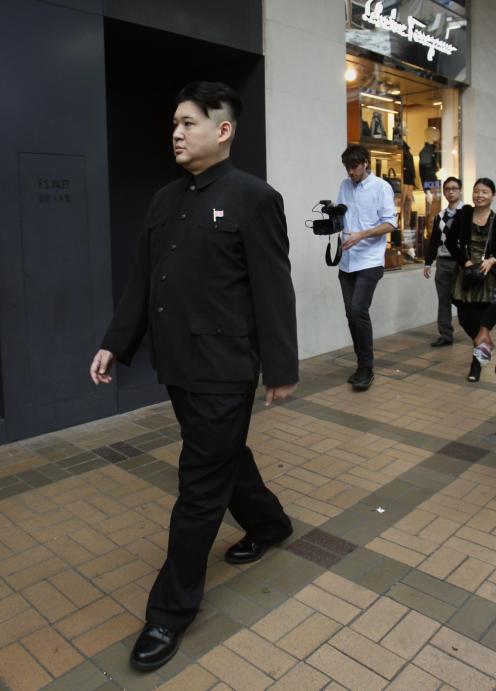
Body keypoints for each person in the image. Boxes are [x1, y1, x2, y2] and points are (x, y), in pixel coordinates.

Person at [89, 82, 297, 672]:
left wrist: (280, 368)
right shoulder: (163, 200)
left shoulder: (255, 198)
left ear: (223, 130)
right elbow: (142, 282)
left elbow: (272, 287)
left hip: (225, 370)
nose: (176, 133)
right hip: (177, 366)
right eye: (174, 123)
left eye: (188, 122)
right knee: (222, 455)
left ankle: (168, 613)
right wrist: (115, 345)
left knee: (199, 487)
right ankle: (270, 523)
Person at [335, 144, 397, 391]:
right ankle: (361, 364)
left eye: (354, 167)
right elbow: (342, 217)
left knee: (359, 309)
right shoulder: (344, 186)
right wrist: (331, 216)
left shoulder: (382, 187)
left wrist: (362, 235)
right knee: (351, 314)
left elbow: (390, 224)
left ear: (366, 163)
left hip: (370, 260)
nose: (350, 173)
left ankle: (367, 368)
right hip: (347, 260)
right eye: (347, 168)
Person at [450, 178, 496, 382]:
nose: (479, 195)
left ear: (493, 196)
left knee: (480, 318)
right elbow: (451, 242)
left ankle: (476, 363)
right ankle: (483, 340)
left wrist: (493, 260)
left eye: (484, 192)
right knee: (464, 318)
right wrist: (465, 261)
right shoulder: (464, 214)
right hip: (467, 274)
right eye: (476, 191)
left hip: (488, 277)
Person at [423, 177, 465, 347]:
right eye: (447, 189)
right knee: (443, 299)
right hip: (443, 262)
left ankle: (474, 329)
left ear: (460, 190)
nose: (451, 192)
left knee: (463, 298)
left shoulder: (468, 212)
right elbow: (434, 240)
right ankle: (446, 334)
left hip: (462, 262)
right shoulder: (440, 216)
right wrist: (428, 262)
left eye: (454, 188)